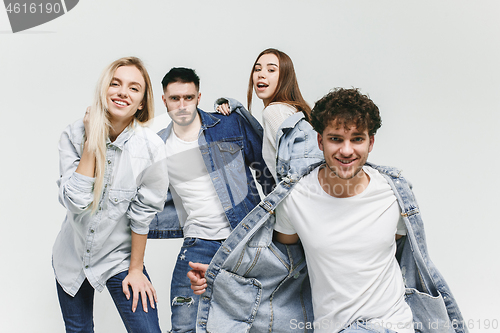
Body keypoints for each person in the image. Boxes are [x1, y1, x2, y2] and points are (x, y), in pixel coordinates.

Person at [188, 88, 467, 333]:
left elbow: (399, 256)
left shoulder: (393, 194)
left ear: (371, 143)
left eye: (357, 139)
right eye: (336, 139)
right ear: (320, 142)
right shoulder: (296, 197)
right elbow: (280, 265)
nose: (346, 150)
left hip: (392, 325)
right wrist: (219, 278)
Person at [147, 67, 274, 333]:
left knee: (256, 321)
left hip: (243, 240)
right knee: (184, 325)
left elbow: (266, 169)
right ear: (164, 100)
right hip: (198, 242)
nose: (182, 105)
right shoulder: (156, 146)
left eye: (188, 98)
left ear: (198, 97)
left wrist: (277, 226)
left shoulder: (227, 124)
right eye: (174, 99)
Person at [53, 57, 169, 332]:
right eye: (115, 84)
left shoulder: (151, 148)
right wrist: (92, 139)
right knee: (79, 329)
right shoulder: (74, 134)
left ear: (141, 102)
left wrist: (136, 269)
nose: (122, 92)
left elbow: (143, 214)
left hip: (119, 257)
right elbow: (76, 201)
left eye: (133, 88)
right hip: (72, 255)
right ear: (104, 90)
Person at [216, 48, 310, 181]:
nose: (261, 74)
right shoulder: (291, 109)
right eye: (257, 69)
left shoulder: (274, 111)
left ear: (285, 77)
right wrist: (230, 106)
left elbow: (294, 169)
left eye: (271, 70)